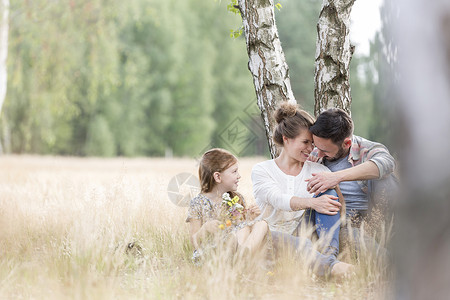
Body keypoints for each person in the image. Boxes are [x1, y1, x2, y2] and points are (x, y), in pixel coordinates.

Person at [251, 102, 352, 277]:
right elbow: (278, 199)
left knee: (327, 191)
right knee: (295, 243)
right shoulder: (262, 170)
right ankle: (332, 268)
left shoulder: (318, 170)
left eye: (312, 144)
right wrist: (313, 203)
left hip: (307, 232)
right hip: (272, 236)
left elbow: (339, 212)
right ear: (286, 138)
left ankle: (329, 255)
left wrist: (334, 186)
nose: (310, 149)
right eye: (305, 142)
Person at [307, 108, 397, 227]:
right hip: (337, 220)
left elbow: (388, 163)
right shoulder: (314, 155)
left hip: (371, 217)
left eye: (324, 150)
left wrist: (336, 177)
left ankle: (395, 231)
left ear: (346, 143)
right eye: (316, 147)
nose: (318, 154)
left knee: (386, 179)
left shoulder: (366, 148)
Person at [186, 148, 269, 262]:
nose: (239, 176)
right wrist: (204, 229)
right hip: (212, 254)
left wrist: (250, 217)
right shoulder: (197, 203)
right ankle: (241, 259)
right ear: (218, 177)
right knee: (242, 229)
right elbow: (193, 241)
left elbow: (242, 226)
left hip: (235, 248)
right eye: (234, 172)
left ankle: (243, 256)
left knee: (261, 224)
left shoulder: (236, 199)